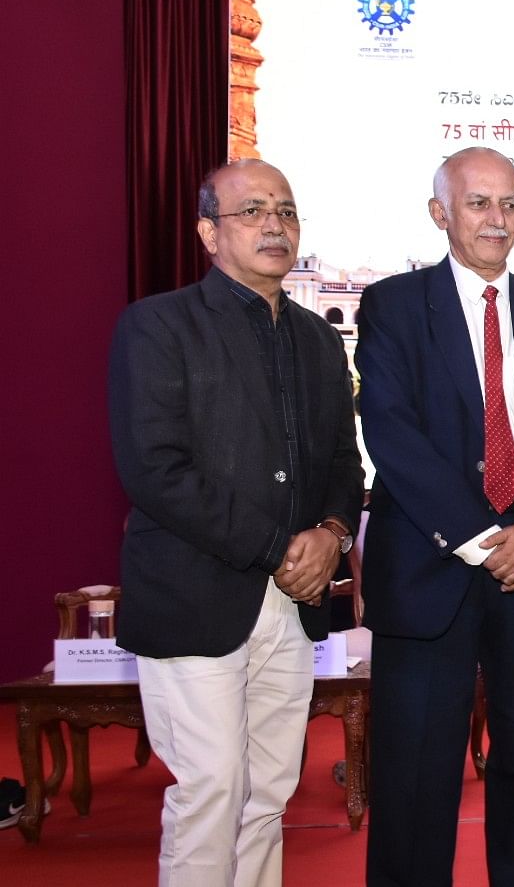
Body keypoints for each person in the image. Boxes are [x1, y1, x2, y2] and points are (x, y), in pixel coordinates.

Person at [108, 159, 365, 886]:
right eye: (252, 211)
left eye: (285, 210)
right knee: (211, 789)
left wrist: (335, 531)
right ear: (207, 233)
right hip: (196, 597)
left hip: (292, 606)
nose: (275, 225)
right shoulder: (157, 325)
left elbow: (346, 464)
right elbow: (154, 468)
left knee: (269, 792)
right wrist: (276, 546)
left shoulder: (319, 339)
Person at [356, 146, 514, 886]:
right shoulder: (395, 305)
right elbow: (390, 429)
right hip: (435, 563)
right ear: (440, 213)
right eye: (478, 203)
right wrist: (480, 536)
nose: (498, 219)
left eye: (509, 204)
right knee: (415, 773)